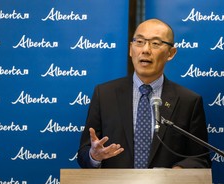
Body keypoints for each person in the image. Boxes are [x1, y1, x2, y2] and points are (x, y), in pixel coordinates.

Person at [77, 18, 211, 169]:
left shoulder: (189, 101)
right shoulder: (104, 94)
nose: (145, 50)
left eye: (155, 43)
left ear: (171, 53)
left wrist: (177, 172)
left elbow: (200, 159)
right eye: (139, 42)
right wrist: (94, 156)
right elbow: (83, 154)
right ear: (130, 49)